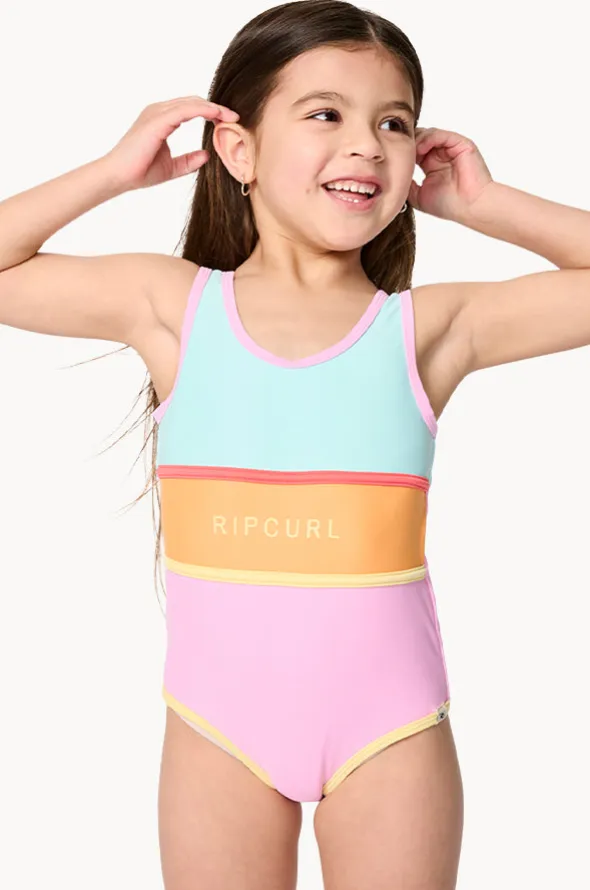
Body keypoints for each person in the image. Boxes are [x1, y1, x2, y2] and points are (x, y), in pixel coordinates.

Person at [1, 1, 589, 887]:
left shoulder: (428, 328)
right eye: (326, 114)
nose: (367, 146)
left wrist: (489, 205)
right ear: (238, 150)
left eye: (393, 123)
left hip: (389, 730)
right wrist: (112, 174)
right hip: (218, 728)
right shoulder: (172, 309)